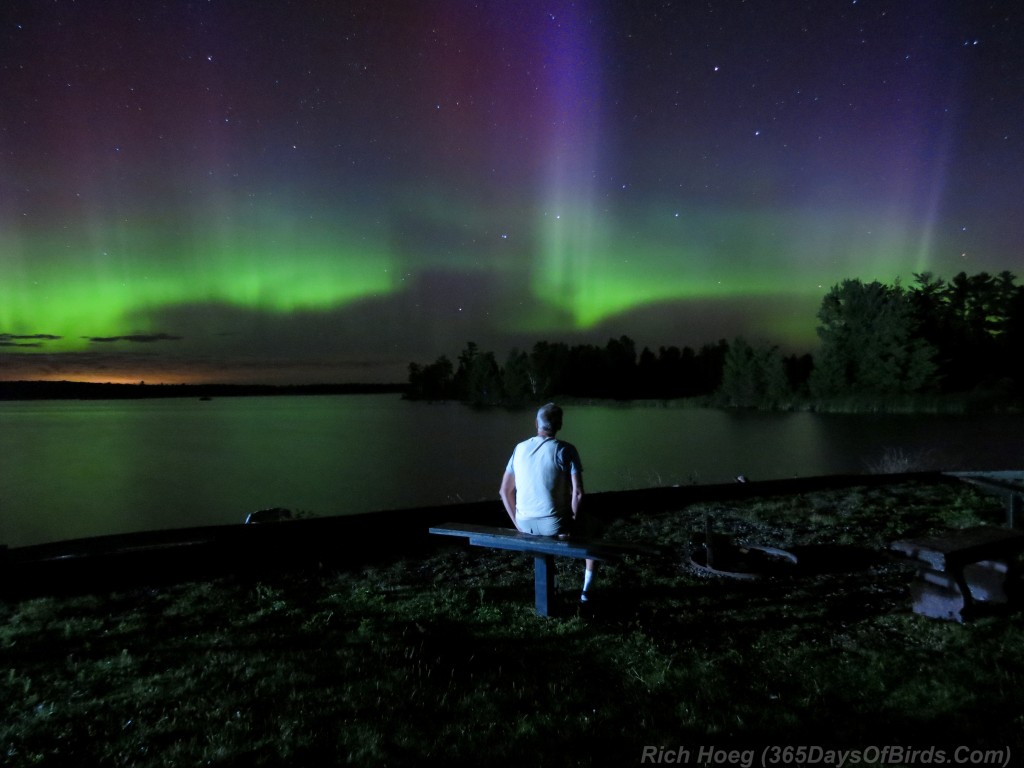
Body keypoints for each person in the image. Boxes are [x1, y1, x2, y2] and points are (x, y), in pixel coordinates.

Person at [499, 403, 595, 602]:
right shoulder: (565, 450)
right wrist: (574, 523)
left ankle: (558, 585)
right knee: (593, 532)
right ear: (559, 425)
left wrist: (518, 524)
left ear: (536, 423)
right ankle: (586, 592)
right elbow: (577, 493)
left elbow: (504, 491)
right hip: (554, 525)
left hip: (524, 524)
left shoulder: (519, 448)